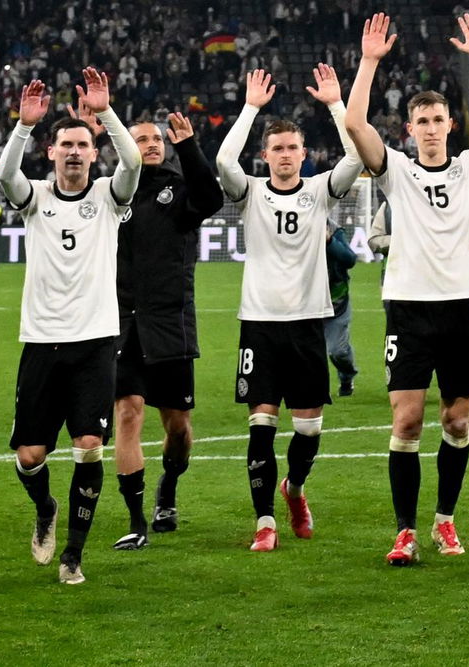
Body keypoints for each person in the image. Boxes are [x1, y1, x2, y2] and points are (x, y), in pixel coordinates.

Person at [345, 12, 469, 565]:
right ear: (410, 129)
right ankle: (404, 531)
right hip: (409, 309)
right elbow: (354, 123)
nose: (429, 128)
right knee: (406, 421)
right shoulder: (396, 170)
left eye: (437, 119)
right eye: (420, 120)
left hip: (461, 309)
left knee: (456, 420)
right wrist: (369, 62)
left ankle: (444, 519)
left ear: (450, 125)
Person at [1, 71, 142, 584]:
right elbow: (6, 177)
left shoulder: (108, 195)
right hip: (42, 341)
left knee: (88, 444)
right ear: (52, 153)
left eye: (83, 145)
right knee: (29, 455)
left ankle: (73, 556)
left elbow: (132, 162)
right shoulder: (36, 196)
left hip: (95, 341)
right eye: (66, 145)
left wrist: (105, 113)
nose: (75, 152)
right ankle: (45, 509)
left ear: (93, 153)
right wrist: (23, 125)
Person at [215, 66, 363, 552]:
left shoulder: (319, 192)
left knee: (307, 428)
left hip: (306, 324)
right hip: (259, 325)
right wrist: (250, 108)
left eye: (291, 148)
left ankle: (294, 490)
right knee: (261, 425)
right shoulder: (251, 193)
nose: (284, 154)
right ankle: (264, 522)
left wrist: (336, 105)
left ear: (304, 154)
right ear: (266, 155)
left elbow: (357, 156)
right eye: (276, 148)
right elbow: (223, 160)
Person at [111, 112, 224, 549]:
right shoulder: (113, 193)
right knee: (127, 413)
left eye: (156, 138)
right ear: (125, 147)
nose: (152, 144)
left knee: (178, 429)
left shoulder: (179, 190)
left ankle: (169, 487)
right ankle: (135, 521)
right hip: (123, 323)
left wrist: (189, 146)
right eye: (141, 139)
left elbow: (211, 199)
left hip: (171, 323)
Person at [326, 221, 360, 396]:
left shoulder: (335, 231)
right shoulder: (295, 230)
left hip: (335, 300)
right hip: (304, 302)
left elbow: (349, 259)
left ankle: (346, 376)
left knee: (337, 351)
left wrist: (329, 241)